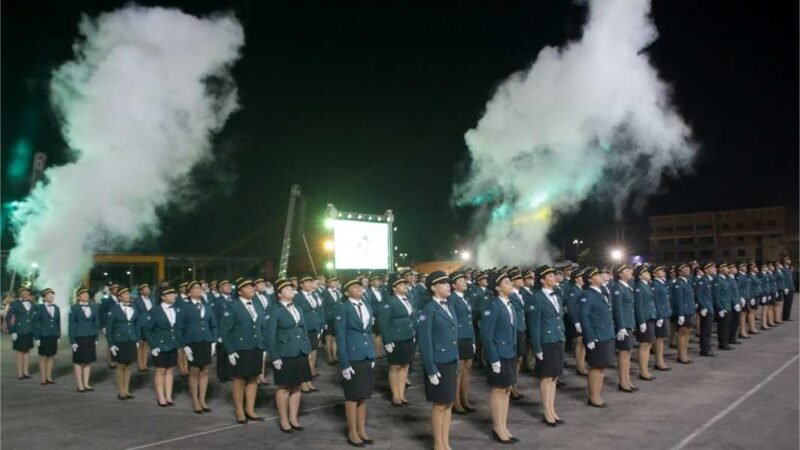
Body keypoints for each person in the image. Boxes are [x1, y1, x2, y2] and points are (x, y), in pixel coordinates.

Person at [418, 271, 459, 450]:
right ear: (434, 287)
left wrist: (456, 359)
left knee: (448, 403)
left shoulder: (448, 306)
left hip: (450, 360)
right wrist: (430, 369)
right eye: (443, 283)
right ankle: (438, 444)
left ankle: (445, 442)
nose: (448, 285)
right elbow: (425, 342)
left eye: (448, 282)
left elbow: (453, 335)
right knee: (439, 405)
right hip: (438, 363)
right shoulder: (429, 309)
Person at [265, 278, 312, 433]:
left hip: (299, 351)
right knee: (284, 387)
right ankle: (284, 419)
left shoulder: (297, 307)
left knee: (297, 385)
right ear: (279, 294)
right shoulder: (275, 310)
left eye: (292, 289)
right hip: (284, 353)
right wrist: (274, 356)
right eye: (287, 289)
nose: (291, 291)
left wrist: (307, 349)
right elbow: (270, 335)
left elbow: (303, 329)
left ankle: (293, 418)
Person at [336, 278, 377, 447]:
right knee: (352, 396)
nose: (358, 288)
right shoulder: (343, 307)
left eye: (359, 286)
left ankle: (362, 429)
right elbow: (341, 336)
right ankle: (352, 431)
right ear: (346, 293)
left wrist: (372, 354)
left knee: (363, 396)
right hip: (352, 355)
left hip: (365, 354)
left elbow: (368, 331)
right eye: (353, 286)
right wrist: (345, 363)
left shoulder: (366, 304)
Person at [221, 279, 267, 424]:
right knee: (239, 380)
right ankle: (239, 410)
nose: (251, 288)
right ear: (240, 291)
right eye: (247, 287)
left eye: (251, 286)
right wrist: (230, 350)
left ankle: (250, 409)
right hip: (241, 347)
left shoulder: (257, 305)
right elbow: (225, 330)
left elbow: (262, 326)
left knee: (253, 378)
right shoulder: (233, 306)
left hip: (256, 346)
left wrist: (263, 345)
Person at [481, 270, 519, 442]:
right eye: (506, 282)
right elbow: (487, 336)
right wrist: (494, 359)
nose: (510, 284)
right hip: (499, 354)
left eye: (509, 281)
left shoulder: (508, 304)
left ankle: (504, 425)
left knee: (507, 390)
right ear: (497, 288)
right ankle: (497, 428)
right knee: (498, 390)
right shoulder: (493, 306)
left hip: (509, 352)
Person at [527, 265, 567, 426]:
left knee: (554, 376)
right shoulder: (536, 297)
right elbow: (534, 325)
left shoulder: (556, 295)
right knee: (546, 377)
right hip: (546, 341)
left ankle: (552, 409)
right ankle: (546, 411)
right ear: (543, 280)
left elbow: (559, 318)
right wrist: (537, 348)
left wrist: (562, 334)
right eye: (550, 276)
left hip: (557, 338)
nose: (554, 278)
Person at [379, 273, 416, 407]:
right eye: (400, 284)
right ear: (394, 288)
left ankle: (402, 394)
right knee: (395, 366)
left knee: (405, 365)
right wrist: (387, 341)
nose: (404, 286)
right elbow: (383, 323)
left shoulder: (408, 299)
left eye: (404, 284)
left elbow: (412, 317)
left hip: (408, 336)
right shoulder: (390, 301)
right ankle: (395, 395)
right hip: (395, 338)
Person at [580, 268, 615, 407]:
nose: (600, 276)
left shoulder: (600, 293)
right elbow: (584, 316)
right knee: (595, 367)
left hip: (605, 334)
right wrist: (589, 337)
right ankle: (593, 396)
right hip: (597, 336)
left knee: (602, 367)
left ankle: (597, 394)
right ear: (590, 279)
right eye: (596, 275)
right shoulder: (588, 295)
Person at [181, 280, 217, 413]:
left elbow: (213, 324)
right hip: (193, 342)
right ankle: (195, 400)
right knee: (194, 371)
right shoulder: (185, 307)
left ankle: (202, 399)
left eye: (200, 288)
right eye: (195, 288)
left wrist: (213, 341)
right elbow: (180, 328)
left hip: (206, 340)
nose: (199, 289)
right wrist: (185, 345)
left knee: (205, 370)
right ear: (189, 293)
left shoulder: (206, 306)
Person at [147, 287, 183, 407]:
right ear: (163, 297)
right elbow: (148, 329)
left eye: (174, 293)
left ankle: (168, 396)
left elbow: (178, 328)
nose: (174, 296)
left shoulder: (177, 309)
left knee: (170, 370)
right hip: (160, 344)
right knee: (160, 370)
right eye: (170, 294)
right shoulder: (155, 311)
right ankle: (161, 397)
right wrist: (153, 345)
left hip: (173, 343)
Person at [446, 271, 476, 414]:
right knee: (458, 371)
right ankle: (455, 401)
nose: (465, 282)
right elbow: (452, 321)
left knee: (467, 369)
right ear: (453, 285)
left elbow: (469, 321)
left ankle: (465, 399)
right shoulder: (452, 299)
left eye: (464, 280)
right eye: (461, 280)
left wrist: (473, 340)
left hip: (468, 337)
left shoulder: (465, 298)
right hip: (458, 338)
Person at [106, 287, 139, 400]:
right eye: (124, 294)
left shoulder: (133, 307)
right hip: (119, 340)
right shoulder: (113, 309)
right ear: (119, 297)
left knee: (129, 365)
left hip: (131, 339)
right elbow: (109, 328)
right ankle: (121, 391)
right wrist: (111, 344)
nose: (127, 295)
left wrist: (137, 339)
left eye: (128, 293)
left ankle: (127, 389)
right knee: (120, 365)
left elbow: (136, 324)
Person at [293, 275, 323, 393]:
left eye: (311, 282)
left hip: (314, 327)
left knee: (313, 354)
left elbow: (318, 310)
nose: (310, 284)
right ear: (301, 285)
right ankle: (303, 382)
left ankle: (309, 380)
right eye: (307, 282)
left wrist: (320, 324)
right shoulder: (298, 297)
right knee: (305, 356)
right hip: (304, 328)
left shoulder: (315, 295)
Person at [611, 264, 637, 392]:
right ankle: (622, 381)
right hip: (623, 325)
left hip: (629, 323)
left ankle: (627, 379)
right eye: (626, 270)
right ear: (620, 274)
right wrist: (621, 327)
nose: (629, 271)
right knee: (623, 353)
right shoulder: (618, 288)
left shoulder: (627, 286)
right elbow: (618, 309)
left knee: (628, 352)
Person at [69, 287, 100, 392]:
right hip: (79, 336)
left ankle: (86, 383)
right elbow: (71, 325)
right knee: (78, 361)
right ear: (79, 296)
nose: (86, 295)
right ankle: (80, 384)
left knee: (88, 360)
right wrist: (72, 341)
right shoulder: (74, 308)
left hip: (90, 336)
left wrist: (96, 337)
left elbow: (96, 323)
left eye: (87, 294)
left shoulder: (93, 307)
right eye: (84, 294)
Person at [633, 265, 659, 377]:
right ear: (640, 276)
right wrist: (641, 321)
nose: (648, 274)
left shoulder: (646, 285)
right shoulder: (639, 287)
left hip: (650, 316)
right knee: (645, 344)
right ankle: (643, 371)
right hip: (645, 318)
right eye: (645, 272)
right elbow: (638, 306)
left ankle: (645, 370)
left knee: (649, 344)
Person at [8, 286, 38, 380]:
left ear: (29, 293)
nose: (25, 293)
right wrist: (12, 331)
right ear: (19, 293)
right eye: (23, 291)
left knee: (27, 351)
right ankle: (20, 373)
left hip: (29, 330)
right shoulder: (14, 303)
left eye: (27, 292)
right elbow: (8, 318)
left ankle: (26, 371)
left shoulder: (32, 304)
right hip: (19, 331)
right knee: (20, 352)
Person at [564, 269, 588, 376]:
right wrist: (576, 322)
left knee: (583, 343)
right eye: (581, 277)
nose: (583, 279)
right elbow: (571, 307)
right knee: (579, 342)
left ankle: (582, 364)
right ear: (577, 279)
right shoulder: (574, 289)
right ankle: (580, 366)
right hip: (577, 320)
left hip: (581, 320)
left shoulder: (580, 289)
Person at [507, 268, 527, 399]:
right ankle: (511, 386)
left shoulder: (520, 294)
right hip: (516, 329)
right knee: (515, 360)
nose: (522, 280)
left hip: (522, 328)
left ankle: (514, 384)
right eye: (518, 279)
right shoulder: (512, 296)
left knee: (519, 359)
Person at [34, 288, 60, 385]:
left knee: (52, 356)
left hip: (53, 334)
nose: (51, 296)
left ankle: (49, 377)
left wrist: (58, 336)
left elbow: (58, 323)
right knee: (43, 357)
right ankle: (43, 378)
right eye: (49, 295)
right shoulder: (39, 307)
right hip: (43, 335)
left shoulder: (56, 308)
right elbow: (35, 323)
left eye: (52, 295)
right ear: (44, 297)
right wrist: (37, 337)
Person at [672, 264, 696, 363]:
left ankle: (685, 353)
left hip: (689, 311)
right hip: (684, 312)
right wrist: (680, 314)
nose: (688, 270)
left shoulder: (687, 281)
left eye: (688, 268)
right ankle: (681, 355)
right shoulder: (679, 283)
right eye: (684, 269)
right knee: (682, 333)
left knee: (687, 333)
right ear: (680, 272)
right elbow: (678, 300)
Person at [651, 266, 672, 372]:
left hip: (665, 313)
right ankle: (659, 361)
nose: (663, 271)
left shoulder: (662, 283)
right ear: (654, 274)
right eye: (660, 270)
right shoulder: (655, 284)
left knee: (661, 338)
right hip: (661, 314)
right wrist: (659, 316)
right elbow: (656, 301)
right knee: (659, 339)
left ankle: (660, 360)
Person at [213, 279, 234, 382]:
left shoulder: (233, 299)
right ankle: (222, 375)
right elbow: (215, 319)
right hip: (222, 332)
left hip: (232, 333)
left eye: (229, 285)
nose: (229, 287)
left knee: (231, 353)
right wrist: (217, 335)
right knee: (222, 355)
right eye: (226, 286)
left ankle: (230, 374)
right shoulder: (218, 301)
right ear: (220, 289)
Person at [133, 283, 155, 372]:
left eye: (148, 289)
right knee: (140, 345)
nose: (148, 290)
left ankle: (145, 364)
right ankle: (140, 364)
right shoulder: (136, 301)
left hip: (149, 324)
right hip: (140, 324)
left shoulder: (152, 300)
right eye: (145, 289)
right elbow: (135, 313)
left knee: (146, 345)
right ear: (141, 291)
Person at [713, 263, 735, 351]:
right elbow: (716, 296)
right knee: (723, 326)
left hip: (728, 305)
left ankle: (726, 342)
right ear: (721, 269)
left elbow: (729, 293)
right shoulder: (718, 280)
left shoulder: (726, 279)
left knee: (728, 325)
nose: (727, 269)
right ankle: (722, 343)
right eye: (725, 268)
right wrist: (720, 308)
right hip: (723, 306)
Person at [322, 276, 342, 365]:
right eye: (333, 281)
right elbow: (322, 307)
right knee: (328, 338)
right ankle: (329, 357)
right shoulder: (325, 293)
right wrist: (324, 321)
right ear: (328, 283)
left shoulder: (338, 292)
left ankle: (335, 356)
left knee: (335, 338)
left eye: (336, 281)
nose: (335, 283)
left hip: (336, 318)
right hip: (328, 318)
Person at [99, 284, 120, 369]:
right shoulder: (106, 301)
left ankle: (117, 359)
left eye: (118, 288)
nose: (117, 290)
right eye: (115, 289)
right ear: (111, 291)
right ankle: (110, 360)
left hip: (118, 325)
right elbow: (101, 313)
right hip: (109, 324)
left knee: (118, 342)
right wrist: (103, 326)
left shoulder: (120, 300)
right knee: (109, 342)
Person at [734, 263, 752, 340]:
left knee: (744, 314)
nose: (745, 267)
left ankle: (743, 330)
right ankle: (742, 331)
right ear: (740, 268)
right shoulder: (739, 276)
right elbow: (738, 287)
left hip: (746, 296)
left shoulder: (744, 275)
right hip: (743, 297)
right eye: (743, 266)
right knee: (742, 315)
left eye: (745, 266)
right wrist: (741, 297)